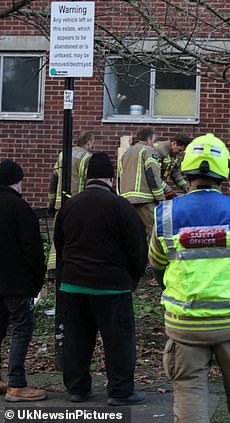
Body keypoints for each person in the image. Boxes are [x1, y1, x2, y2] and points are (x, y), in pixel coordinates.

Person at [148, 133, 230, 423]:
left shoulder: (166, 214)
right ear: (223, 172)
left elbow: (157, 264)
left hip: (185, 323)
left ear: (187, 171)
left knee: (189, 392)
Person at [54, 152, 147, 406]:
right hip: (111, 287)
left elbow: (60, 245)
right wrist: (132, 278)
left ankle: (78, 389)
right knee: (118, 341)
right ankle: (119, 392)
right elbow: (138, 248)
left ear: (87, 178)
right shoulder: (121, 206)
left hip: (73, 285)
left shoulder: (69, 206)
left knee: (77, 340)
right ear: (111, 177)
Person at [0, 160, 48, 402]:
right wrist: (36, 280)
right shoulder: (19, 207)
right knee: (21, 329)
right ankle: (16, 384)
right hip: (16, 283)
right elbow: (33, 249)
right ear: (17, 181)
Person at [46, 131, 95, 275]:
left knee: (58, 235)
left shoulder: (63, 154)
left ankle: (52, 269)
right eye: (93, 142)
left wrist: (51, 202)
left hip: (61, 204)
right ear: (89, 141)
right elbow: (89, 182)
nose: (93, 145)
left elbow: (54, 179)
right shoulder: (88, 157)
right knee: (77, 235)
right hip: (78, 204)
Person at [118, 127, 167, 237]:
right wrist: (160, 198)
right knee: (155, 233)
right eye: (153, 141)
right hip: (145, 201)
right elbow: (153, 175)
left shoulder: (126, 154)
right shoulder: (148, 151)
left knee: (134, 235)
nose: (153, 144)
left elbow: (120, 177)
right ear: (149, 139)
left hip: (127, 202)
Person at [153, 133, 192, 198]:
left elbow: (176, 174)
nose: (181, 153)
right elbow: (154, 175)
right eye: (180, 150)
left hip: (159, 186)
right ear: (174, 143)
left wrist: (186, 187)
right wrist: (168, 191)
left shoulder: (176, 155)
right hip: (151, 187)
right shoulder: (159, 150)